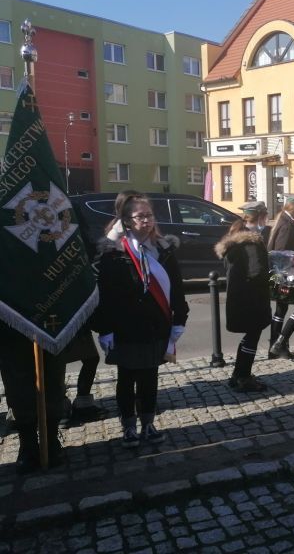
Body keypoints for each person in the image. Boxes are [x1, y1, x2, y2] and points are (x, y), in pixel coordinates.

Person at [95, 192, 189, 448]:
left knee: (149, 377)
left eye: (149, 215)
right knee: (127, 378)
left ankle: (148, 423)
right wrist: (105, 329)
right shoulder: (114, 252)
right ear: (126, 220)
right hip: (125, 327)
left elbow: (177, 289)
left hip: (155, 325)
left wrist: (179, 319)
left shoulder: (163, 250)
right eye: (140, 216)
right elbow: (105, 294)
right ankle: (128, 427)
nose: (146, 221)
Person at [215, 201, 272, 392]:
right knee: (252, 337)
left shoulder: (237, 238)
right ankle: (243, 377)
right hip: (251, 299)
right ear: (261, 217)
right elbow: (257, 272)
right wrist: (274, 275)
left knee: (249, 337)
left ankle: (238, 374)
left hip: (239, 297)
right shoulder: (251, 242)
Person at [0, 323, 67, 473]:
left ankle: (51, 440)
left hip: (50, 327)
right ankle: (27, 445)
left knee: (53, 382)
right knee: (18, 388)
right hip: (11, 330)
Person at [267, 196, 294, 360]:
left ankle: (274, 348)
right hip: (287, 276)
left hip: (279, 276)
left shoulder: (284, 221)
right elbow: (280, 253)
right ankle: (280, 342)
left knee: (281, 309)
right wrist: (292, 269)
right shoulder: (286, 226)